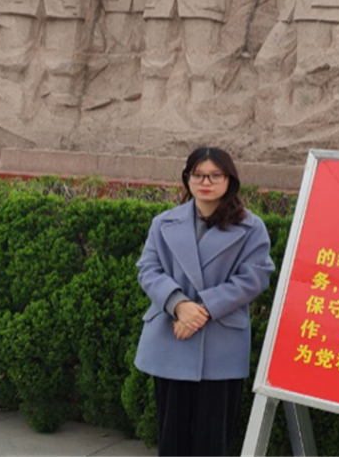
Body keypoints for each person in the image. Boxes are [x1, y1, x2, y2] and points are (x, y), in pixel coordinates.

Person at [134, 147, 276, 457]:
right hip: (173, 334)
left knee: (212, 440)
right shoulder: (163, 223)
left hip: (219, 340)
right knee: (172, 438)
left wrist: (205, 309)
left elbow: (255, 275)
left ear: (229, 180)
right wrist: (178, 304)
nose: (205, 182)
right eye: (197, 175)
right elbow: (148, 269)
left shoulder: (251, 228)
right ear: (187, 179)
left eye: (214, 175)